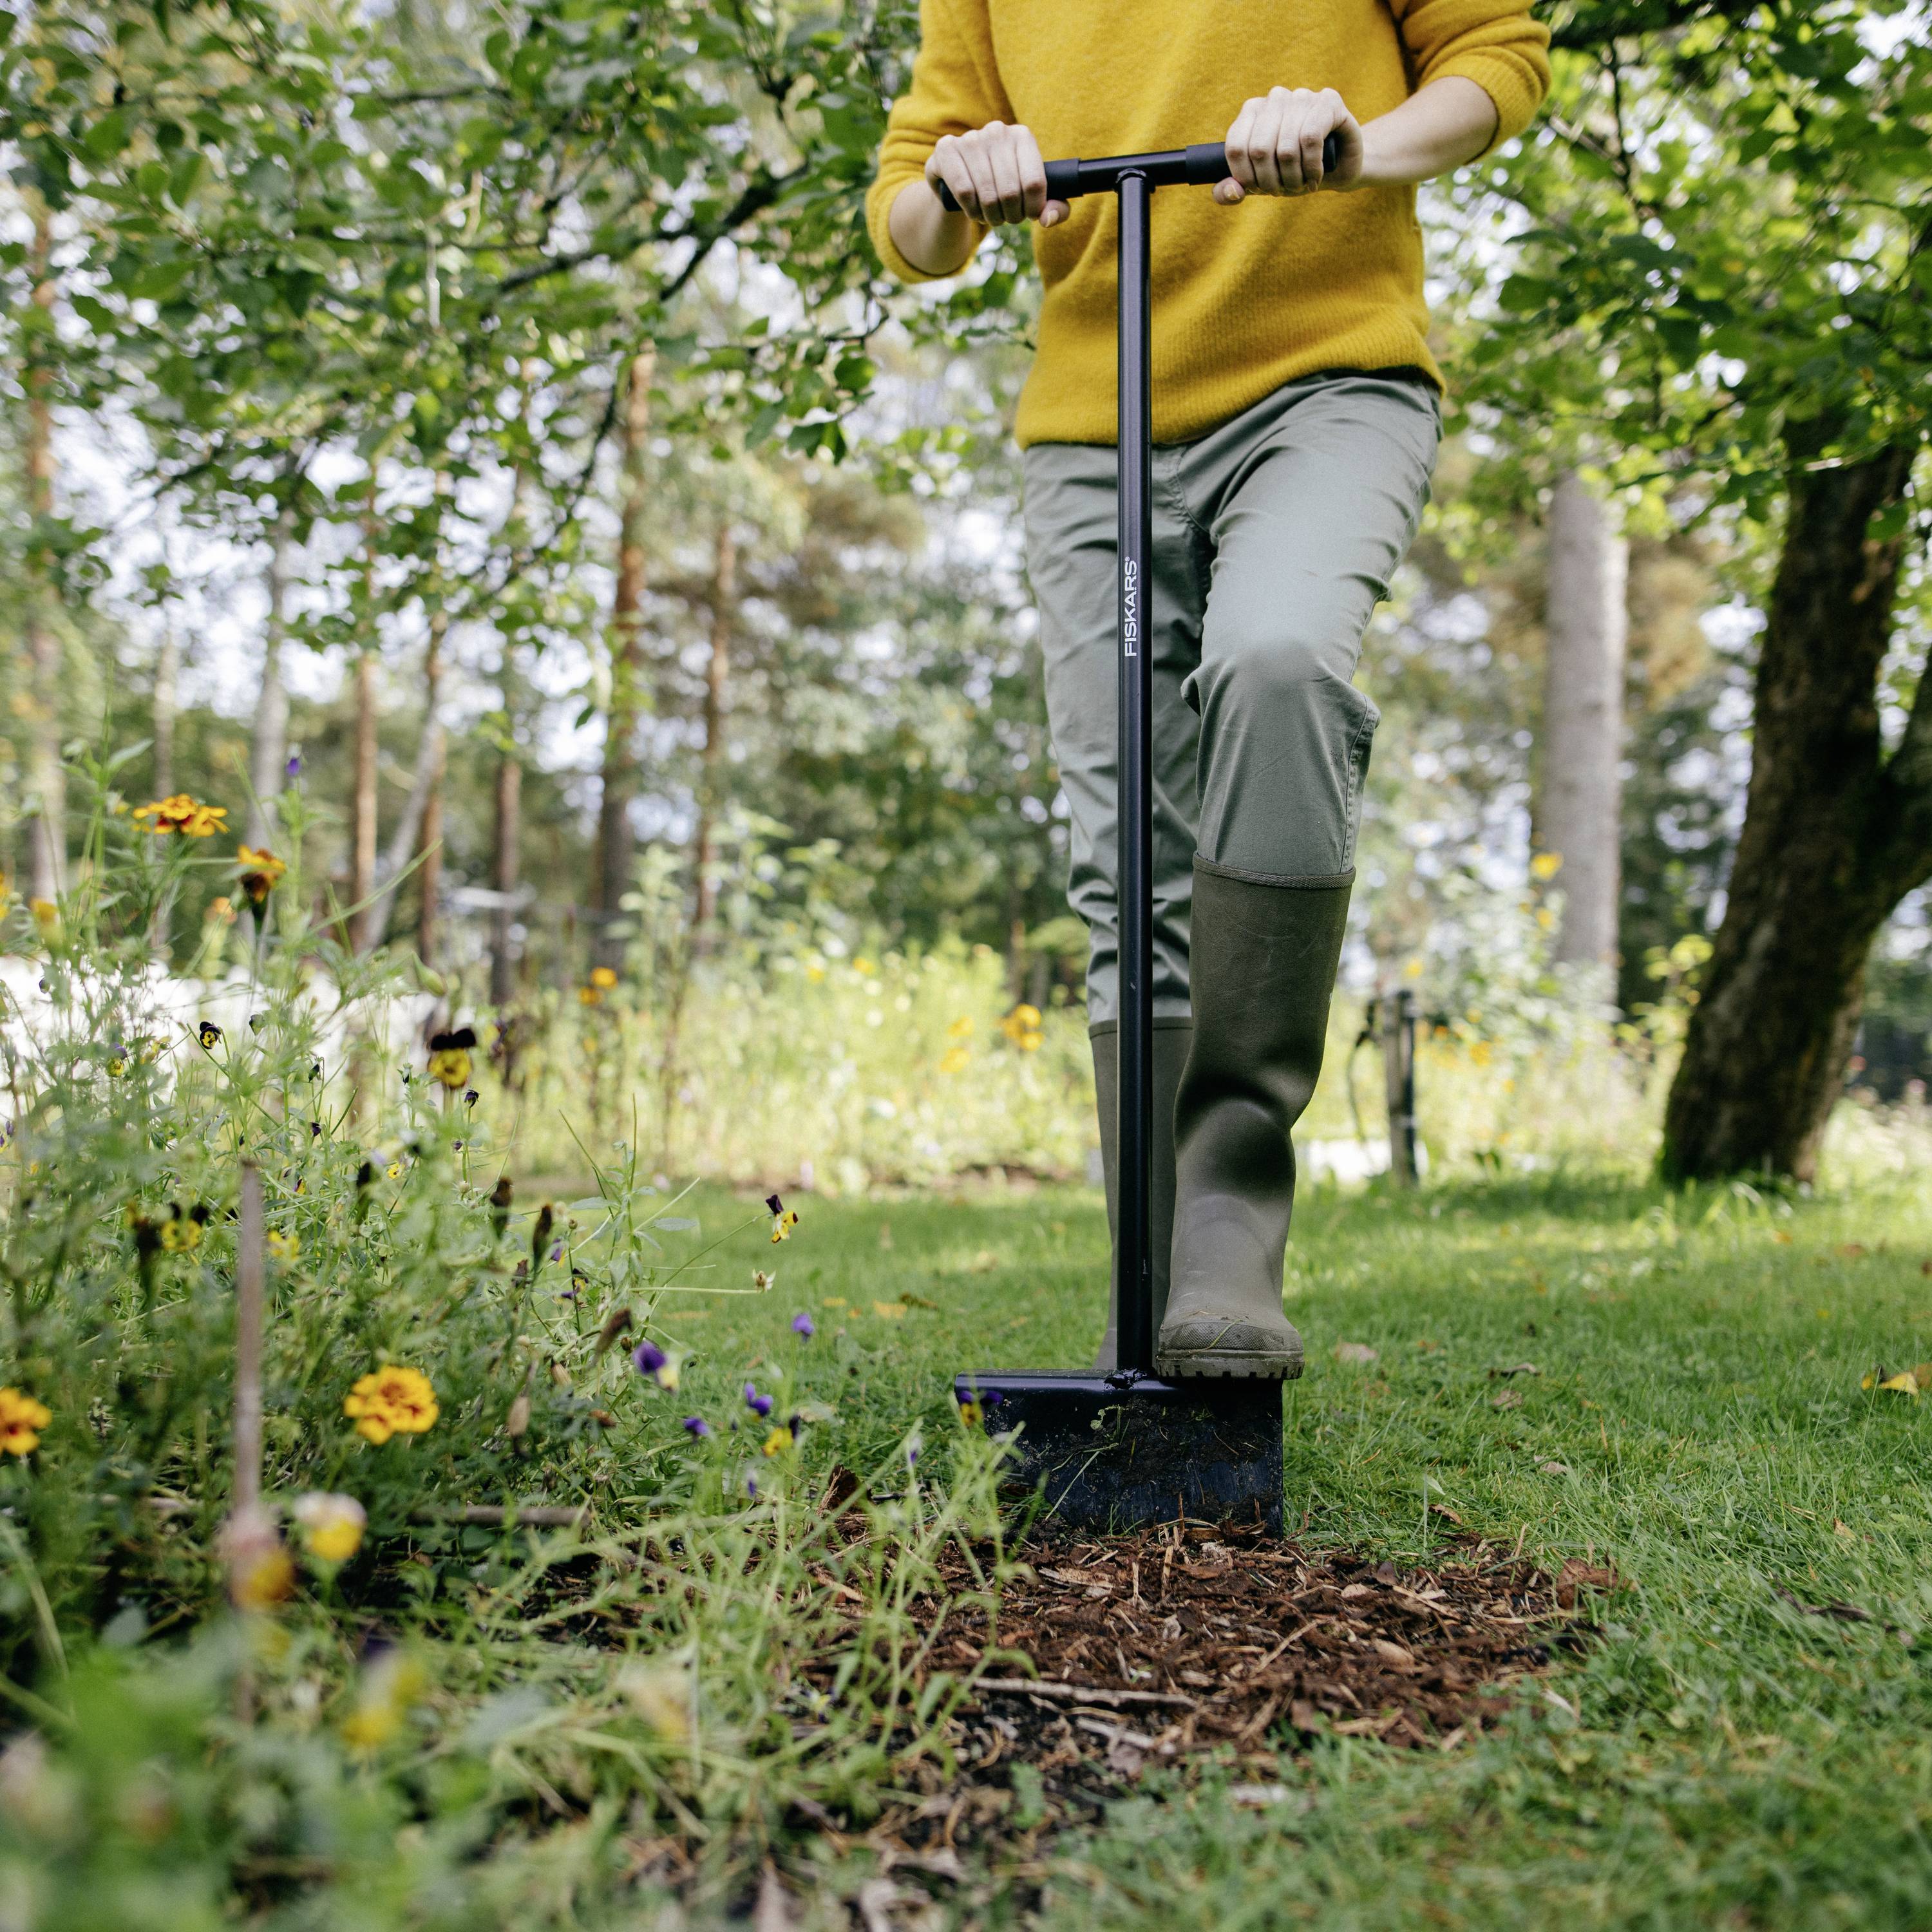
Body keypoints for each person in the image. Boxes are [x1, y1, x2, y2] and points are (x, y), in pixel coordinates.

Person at [867, 5, 1549, 1378]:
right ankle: (1158, 1276)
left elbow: (1497, 62)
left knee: (1279, 658)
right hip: (1091, 429)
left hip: (1324, 383)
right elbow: (908, 214)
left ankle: (1232, 1199)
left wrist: (1360, 147)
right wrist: (957, 184)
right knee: (1125, 844)